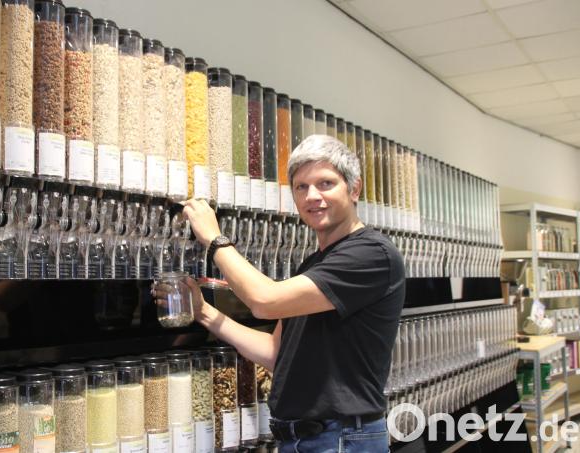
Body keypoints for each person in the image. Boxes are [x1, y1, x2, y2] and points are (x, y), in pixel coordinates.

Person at [160, 135, 405, 452]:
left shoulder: (371, 253)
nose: (312, 196)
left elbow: (265, 302)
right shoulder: (315, 263)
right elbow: (277, 353)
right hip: (303, 439)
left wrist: (214, 239)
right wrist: (204, 312)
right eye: (301, 187)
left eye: (325, 183)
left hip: (340, 439)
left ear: (354, 189)